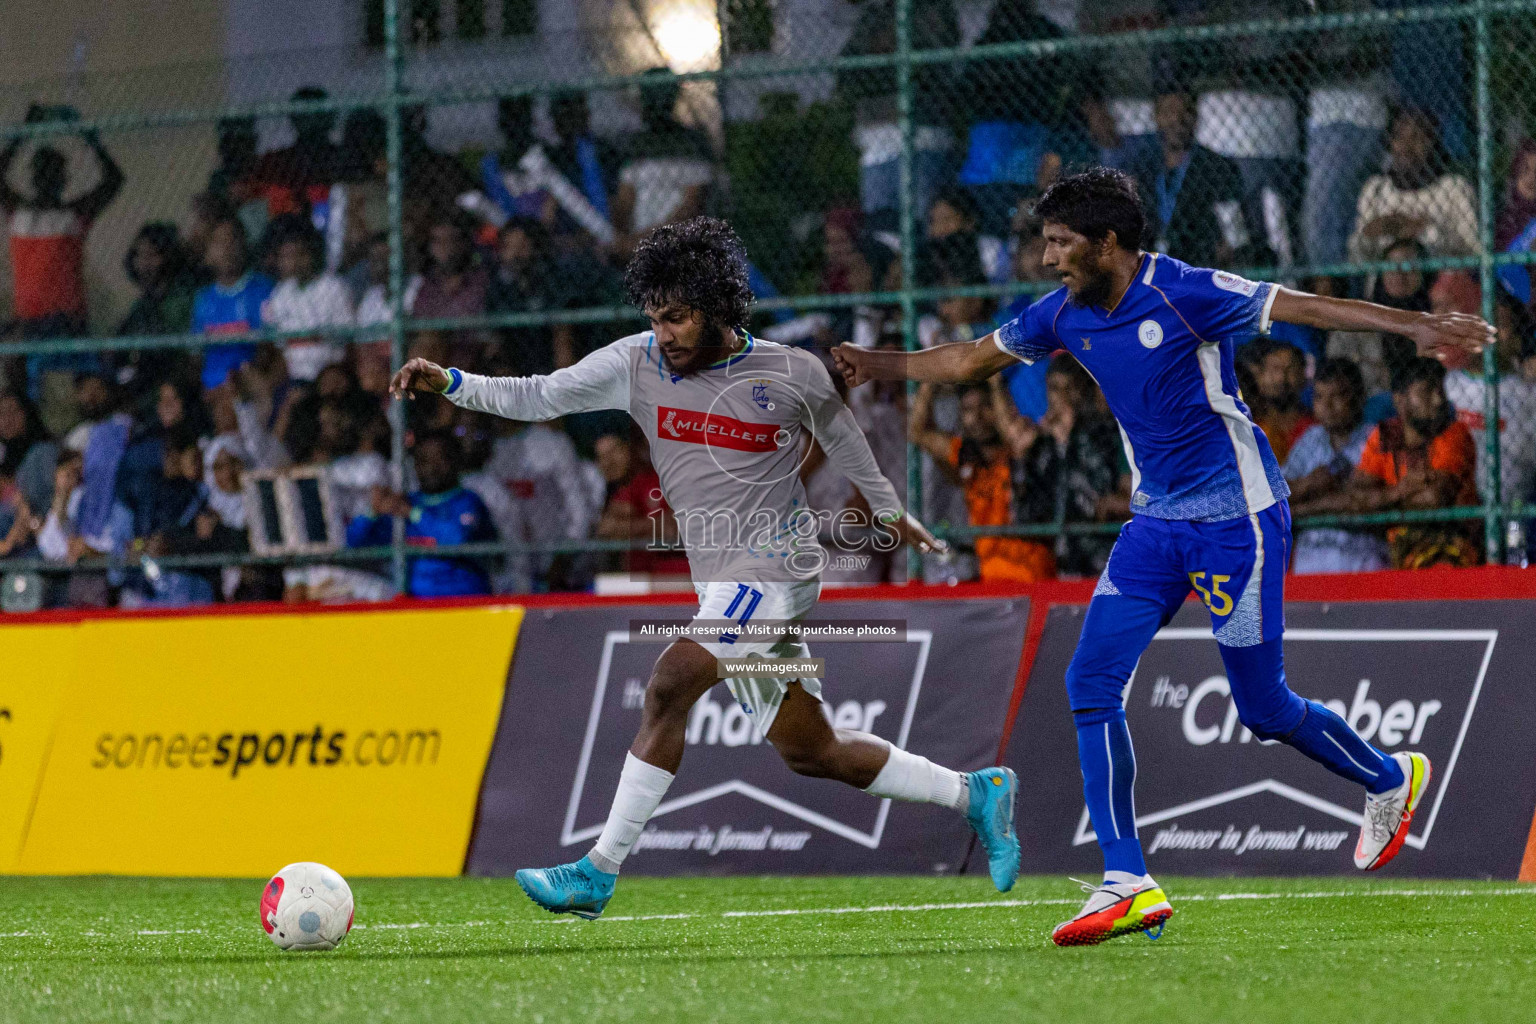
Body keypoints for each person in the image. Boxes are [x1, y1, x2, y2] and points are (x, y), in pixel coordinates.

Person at [832, 168, 1489, 946]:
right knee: (1090, 679)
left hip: (1236, 520)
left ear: (1108, 243)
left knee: (1264, 709)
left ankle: (1390, 776)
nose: (1047, 260)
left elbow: (1299, 305)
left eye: (1061, 243)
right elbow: (972, 359)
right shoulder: (1064, 313)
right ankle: (1127, 880)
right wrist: (880, 366)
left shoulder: (1186, 291)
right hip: (1154, 527)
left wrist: (1412, 326)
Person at [391, 216, 1021, 919]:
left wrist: (886, 507)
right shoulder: (636, 363)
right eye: (656, 319)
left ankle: (598, 872)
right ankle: (977, 793)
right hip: (725, 581)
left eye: (680, 318)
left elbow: (841, 436)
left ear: (719, 307)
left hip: (777, 570)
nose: (665, 334)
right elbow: (540, 395)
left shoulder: (790, 371)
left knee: (669, 683)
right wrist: (451, 381)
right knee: (812, 749)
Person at [1351, 357, 1480, 570]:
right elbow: (1356, 494)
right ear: (1400, 401)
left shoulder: (1454, 433)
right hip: (1395, 549)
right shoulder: (1386, 434)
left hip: (1451, 544)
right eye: (1427, 391)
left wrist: (1375, 503)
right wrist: (1399, 493)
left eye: (1440, 391)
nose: (1438, 400)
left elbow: (1434, 497)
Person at [346, 431, 496, 597]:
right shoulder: (405, 502)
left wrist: (413, 513)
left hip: (463, 598)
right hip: (415, 602)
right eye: (424, 461)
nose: (432, 468)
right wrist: (372, 513)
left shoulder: (467, 501)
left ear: (455, 461)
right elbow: (353, 544)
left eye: (440, 459)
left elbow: (456, 539)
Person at [1282, 357, 1389, 574]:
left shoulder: (1376, 437)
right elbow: (1278, 493)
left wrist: (1303, 505)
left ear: (1359, 398)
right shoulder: (1310, 439)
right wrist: (1310, 484)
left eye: (1337, 396)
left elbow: (1368, 498)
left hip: (1363, 559)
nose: (1327, 406)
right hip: (1311, 563)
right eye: (1319, 397)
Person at [1125, 89, 1253, 269]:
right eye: (1169, 112)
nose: (1177, 120)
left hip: (1198, 265)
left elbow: (1233, 236)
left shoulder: (1218, 167)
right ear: (1157, 117)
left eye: (1185, 112)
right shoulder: (1141, 167)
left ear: (1195, 117)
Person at [1349, 107, 1478, 263]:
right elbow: (1357, 258)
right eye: (1399, 136)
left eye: (1417, 137)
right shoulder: (1376, 188)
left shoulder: (1454, 187)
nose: (1406, 146)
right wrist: (1375, 231)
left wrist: (1425, 231)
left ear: (1433, 142)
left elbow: (1475, 252)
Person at [261, 215, 355, 382]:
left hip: (328, 372)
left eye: (300, 254)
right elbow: (278, 347)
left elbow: (347, 342)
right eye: (288, 257)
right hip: (292, 376)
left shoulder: (333, 286)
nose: (295, 263)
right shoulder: (280, 293)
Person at [192, 217, 276, 390]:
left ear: (244, 244)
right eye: (219, 243)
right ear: (207, 255)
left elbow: (270, 348)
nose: (227, 249)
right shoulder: (203, 299)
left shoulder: (264, 289)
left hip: (251, 383)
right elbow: (196, 354)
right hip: (212, 387)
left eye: (233, 240)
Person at [1242, 339, 1314, 466]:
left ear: (1303, 376)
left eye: (1290, 369)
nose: (1281, 377)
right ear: (1260, 376)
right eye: (1275, 368)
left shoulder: (1314, 428)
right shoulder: (1249, 425)